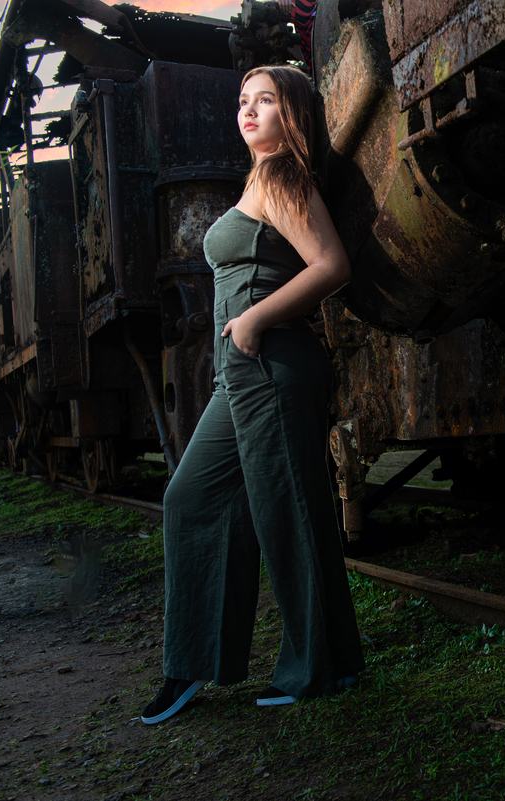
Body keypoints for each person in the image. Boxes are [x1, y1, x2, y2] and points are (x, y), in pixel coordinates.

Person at [141, 65, 364, 725]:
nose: (249, 110)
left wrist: (258, 319)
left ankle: (321, 666)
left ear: (290, 114)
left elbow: (332, 263)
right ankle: (194, 663)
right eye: (243, 100)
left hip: (270, 363)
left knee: (288, 513)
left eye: (264, 101)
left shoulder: (283, 177)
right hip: (238, 375)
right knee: (191, 497)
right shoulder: (258, 178)